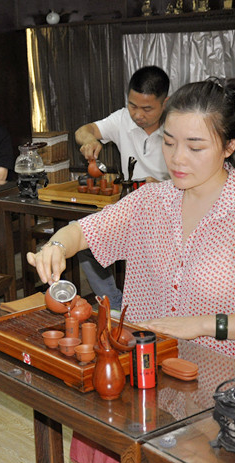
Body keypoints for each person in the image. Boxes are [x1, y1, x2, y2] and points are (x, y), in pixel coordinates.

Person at [28, 77, 235, 463]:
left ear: (229, 146)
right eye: (169, 142)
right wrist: (56, 247)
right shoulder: (152, 201)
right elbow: (86, 231)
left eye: (195, 146)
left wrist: (199, 324)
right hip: (151, 377)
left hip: (222, 392)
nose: (177, 158)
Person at [75, 66, 171, 315]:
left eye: (147, 109)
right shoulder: (122, 119)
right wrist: (89, 141)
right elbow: (83, 131)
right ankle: (114, 303)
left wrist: (162, 187)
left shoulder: (177, 126)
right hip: (131, 208)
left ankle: (156, 309)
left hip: (170, 212)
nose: (138, 115)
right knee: (87, 244)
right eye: (132, 105)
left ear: (165, 103)